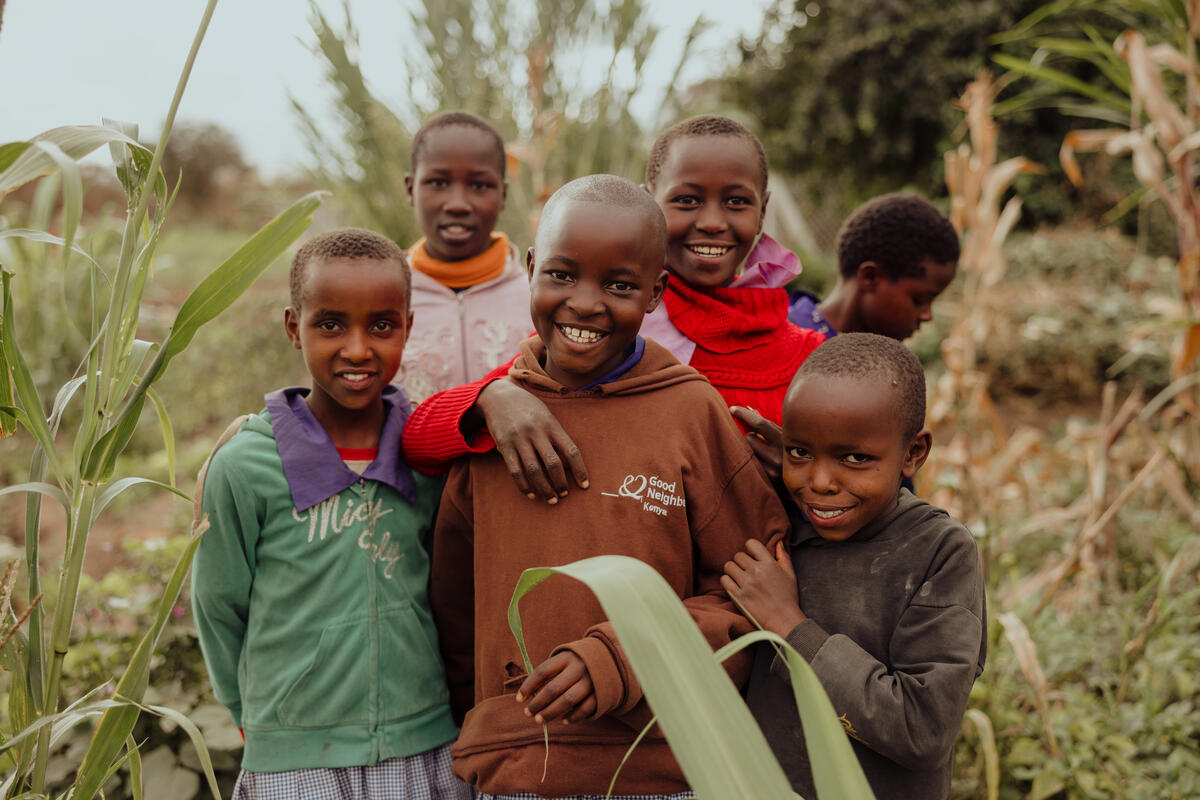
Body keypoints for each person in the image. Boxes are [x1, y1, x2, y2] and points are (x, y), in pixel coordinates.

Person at [429, 175, 790, 799]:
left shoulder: (691, 413)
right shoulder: (491, 424)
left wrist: (622, 659)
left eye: (619, 285)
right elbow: (456, 609)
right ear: (531, 266)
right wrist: (485, 727)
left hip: (661, 771)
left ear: (655, 291)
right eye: (563, 275)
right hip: (514, 774)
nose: (586, 304)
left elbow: (754, 601)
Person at [401, 114, 823, 498]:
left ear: (763, 209)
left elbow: (867, 476)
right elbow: (419, 438)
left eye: (736, 202)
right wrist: (490, 399)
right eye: (687, 201)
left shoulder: (805, 356)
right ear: (650, 202)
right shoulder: (607, 325)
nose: (712, 221)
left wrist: (807, 475)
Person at [191, 228, 470, 800]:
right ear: (294, 327)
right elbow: (218, 607)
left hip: (422, 741)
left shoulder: (427, 458)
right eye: (331, 324)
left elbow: (451, 592)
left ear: (409, 327)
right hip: (293, 757)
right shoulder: (245, 466)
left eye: (382, 325)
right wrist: (254, 717)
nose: (358, 348)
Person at [720, 333, 987, 800]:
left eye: (855, 458)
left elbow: (921, 728)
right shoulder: (782, 525)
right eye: (800, 452)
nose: (819, 483)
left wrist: (788, 625)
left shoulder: (939, 552)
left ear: (913, 454)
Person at [399, 110, 531, 404]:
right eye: (438, 183)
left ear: (503, 195)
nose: (457, 204)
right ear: (411, 190)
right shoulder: (387, 298)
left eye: (479, 186)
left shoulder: (538, 299)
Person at [788, 193, 959, 340]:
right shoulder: (783, 346)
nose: (927, 316)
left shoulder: (872, 360)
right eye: (920, 300)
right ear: (870, 277)